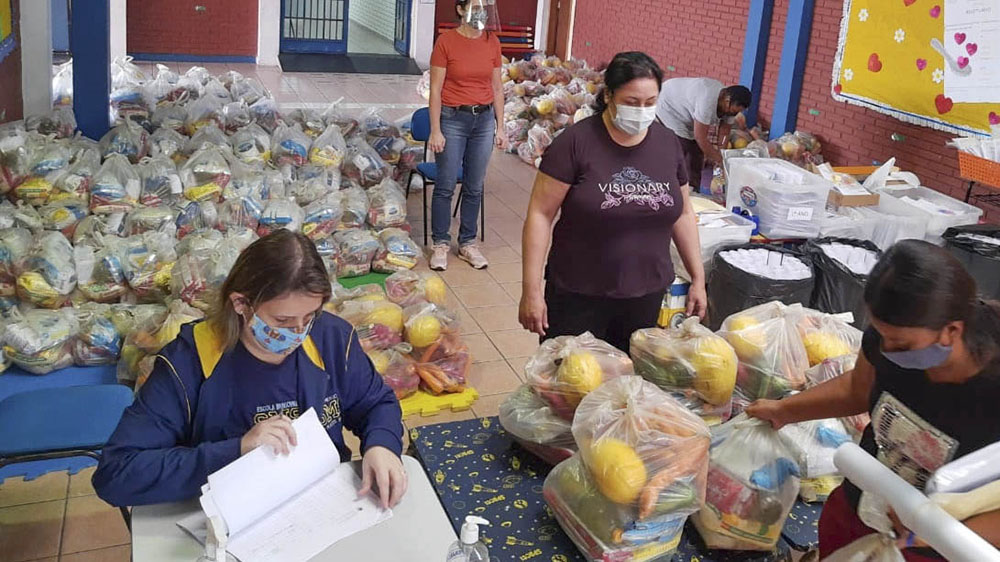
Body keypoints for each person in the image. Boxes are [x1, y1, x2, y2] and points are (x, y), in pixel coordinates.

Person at [93, 231, 407, 508]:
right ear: (241, 304)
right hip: (229, 512)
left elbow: (376, 403)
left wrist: (381, 444)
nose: (299, 332)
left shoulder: (331, 338)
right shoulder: (189, 362)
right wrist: (237, 449)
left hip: (321, 505)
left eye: (310, 315)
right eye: (282, 321)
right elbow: (116, 473)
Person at [747, 240, 1000, 560]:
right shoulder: (888, 341)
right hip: (860, 508)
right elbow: (857, 390)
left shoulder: (991, 391)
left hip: (935, 545)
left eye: (901, 343)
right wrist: (783, 410)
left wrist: (934, 530)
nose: (886, 350)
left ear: (950, 330)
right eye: (880, 334)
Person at [518, 51, 707, 354]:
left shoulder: (667, 144)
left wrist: (698, 278)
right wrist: (531, 290)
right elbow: (540, 215)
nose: (642, 111)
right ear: (608, 95)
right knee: (569, 384)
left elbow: (683, 213)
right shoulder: (575, 143)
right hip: (578, 293)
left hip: (645, 293)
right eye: (632, 102)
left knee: (623, 385)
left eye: (650, 103)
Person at [426, 0, 507, 271]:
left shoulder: (492, 41)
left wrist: (501, 126)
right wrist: (435, 130)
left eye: (486, 5)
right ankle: (440, 243)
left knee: (474, 185)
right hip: (452, 119)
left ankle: (468, 243)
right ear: (461, 9)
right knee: (446, 184)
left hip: (483, 121)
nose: (482, 10)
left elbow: (497, 88)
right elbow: (435, 90)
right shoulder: (446, 42)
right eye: (476, 4)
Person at [655, 78, 751, 190]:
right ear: (726, 99)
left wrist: (721, 154)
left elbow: (724, 132)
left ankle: (693, 189)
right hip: (669, 105)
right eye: (731, 111)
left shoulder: (729, 107)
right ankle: (669, 187)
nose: (732, 114)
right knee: (683, 147)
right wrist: (718, 159)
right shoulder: (707, 100)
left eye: (735, 112)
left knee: (696, 154)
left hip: (687, 112)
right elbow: (700, 137)